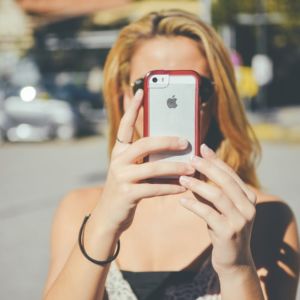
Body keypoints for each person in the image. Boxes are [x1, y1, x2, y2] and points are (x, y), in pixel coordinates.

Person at [42, 10, 300, 300]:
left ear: (215, 101)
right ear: (125, 97)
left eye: (192, 89)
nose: (173, 105)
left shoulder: (261, 216)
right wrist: (103, 226)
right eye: (151, 87)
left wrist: (237, 267)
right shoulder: (80, 210)